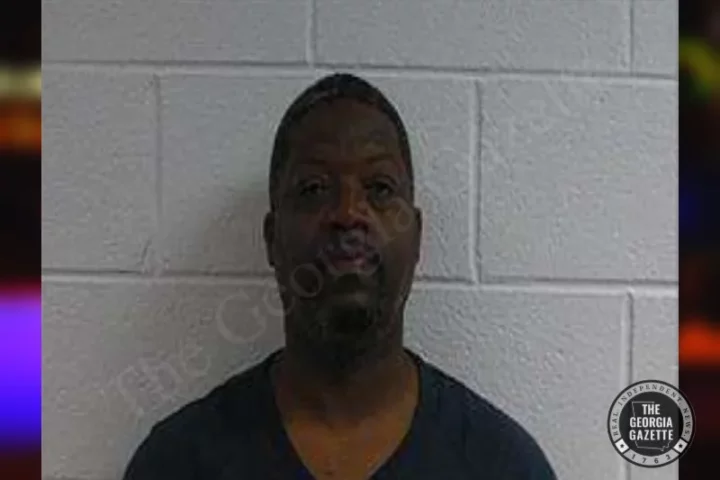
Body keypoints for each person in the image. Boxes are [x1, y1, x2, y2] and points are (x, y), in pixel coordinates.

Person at [123, 73, 557, 479]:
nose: (349, 213)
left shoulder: (502, 465)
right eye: (314, 189)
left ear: (417, 238)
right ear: (272, 240)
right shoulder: (178, 462)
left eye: (379, 188)